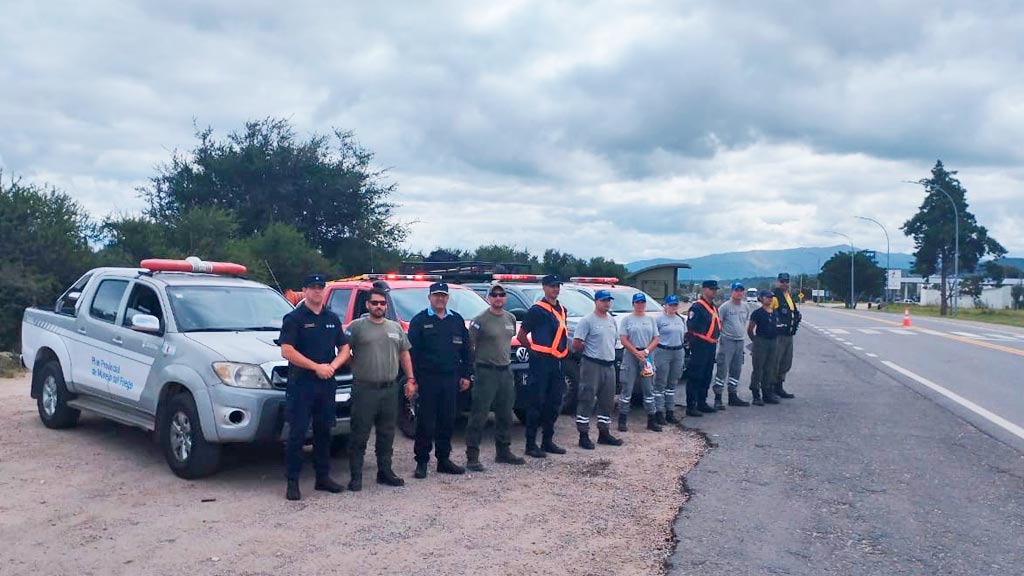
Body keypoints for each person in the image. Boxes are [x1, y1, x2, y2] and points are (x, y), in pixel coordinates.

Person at [279, 274, 350, 501]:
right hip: (302, 383)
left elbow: (345, 348)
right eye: (313, 287)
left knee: (324, 432)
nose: (317, 291)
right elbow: (287, 351)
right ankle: (292, 482)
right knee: (297, 434)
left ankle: (323, 478)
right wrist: (315, 367)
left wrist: (332, 366)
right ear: (305, 290)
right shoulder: (294, 318)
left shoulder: (331, 318)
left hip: (326, 383)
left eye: (321, 287)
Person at [345, 286, 414, 492]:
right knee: (360, 434)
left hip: (389, 389)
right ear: (367, 305)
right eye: (374, 303)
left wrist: (410, 379)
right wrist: (355, 366)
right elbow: (343, 351)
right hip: (364, 389)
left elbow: (404, 354)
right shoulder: (356, 327)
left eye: (382, 303)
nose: (378, 306)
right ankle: (356, 476)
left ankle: (385, 472)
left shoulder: (395, 328)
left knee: (387, 434)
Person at [407, 282, 473, 479]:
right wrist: (414, 379)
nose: (440, 299)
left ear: (447, 298)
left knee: (447, 420)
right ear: (429, 297)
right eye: (436, 295)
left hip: (451, 378)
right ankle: (422, 462)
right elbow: (413, 353)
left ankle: (443, 460)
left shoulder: (456, 320)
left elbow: (467, 350)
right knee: (426, 422)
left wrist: (466, 374)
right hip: (427, 379)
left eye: (443, 296)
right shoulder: (420, 320)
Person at [465, 282, 526, 471]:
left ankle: (503, 451)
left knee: (505, 413)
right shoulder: (480, 320)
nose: (498, 298)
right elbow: (470, 346)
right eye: (495, 295)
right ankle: (472, 456)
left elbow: (509, 339)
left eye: (501, 295)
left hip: (506, 371)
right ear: (489, 298)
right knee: (479, 414)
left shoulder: (511, 318)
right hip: (486, 371)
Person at [516, 274, 569, 458]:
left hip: (557, 361)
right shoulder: (536, 310)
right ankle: (530, 444)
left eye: (557, 286)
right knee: (536, 403)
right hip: (540, 362)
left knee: (554, 402)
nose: (555, 289)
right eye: (552, 286)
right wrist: (533, 351)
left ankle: (547, 441)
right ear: (544, 288)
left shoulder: (562, 309)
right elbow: (522, 335)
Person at [571, 289, 624, 449]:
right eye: (603, 300)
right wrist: (589, 352)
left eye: (608, 300)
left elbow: (613, 340)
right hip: (592, 364)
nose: (606, 303)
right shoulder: (587, 321)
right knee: (587, 399)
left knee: (607, 401)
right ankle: (583, 435)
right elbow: (576, 344)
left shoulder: (611, 320)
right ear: (596, 302)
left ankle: (604, 433)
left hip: (609, 365)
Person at [618, 292, 661, 432]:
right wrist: (635, 352)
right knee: (627, 387)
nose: (640, 305)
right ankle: (622, 419)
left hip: (646, 355)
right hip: (631, 354)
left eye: (642, 302)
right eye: (637, 302)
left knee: (649, 388)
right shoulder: (627, 320)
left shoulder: (650, 320)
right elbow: (624, 339)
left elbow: (656, 338)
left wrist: (646, 352)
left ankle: (651, 419)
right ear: (633, 304)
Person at [684, 280, 722, 417]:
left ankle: (702, 402)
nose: (714, 291)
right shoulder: (697, 307)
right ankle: (691, 405)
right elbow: (691, 326)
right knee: (695, 375)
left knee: (706, 375)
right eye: (712, 289)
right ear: (704, 290)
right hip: (700, 345)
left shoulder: (714, 307)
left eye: (715, 289)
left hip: (711, 345)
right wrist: (695, 344)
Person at [713, 282, 751, 409]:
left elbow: (743, 322)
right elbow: (719, 325)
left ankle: (732, 395)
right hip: (727, 341)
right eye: (736, 290)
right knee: (722, 369)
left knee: (736, 369)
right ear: (731, 292)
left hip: (740, 342)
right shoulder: (725, 307)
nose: (739, 293)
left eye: (741, 290)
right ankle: (718, 398)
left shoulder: (745, 307)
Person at [653, 294, 686, 424]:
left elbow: (683, 335)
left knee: (672, 383)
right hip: (663, 351)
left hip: (677, 351)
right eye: (671, 305)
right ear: (665, 306)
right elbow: (654, 336)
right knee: (660, 382)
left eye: (675, 305)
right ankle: (659, 412)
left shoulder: (680, 320)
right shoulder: (659, 320)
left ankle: (670, 411)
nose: (673, 307)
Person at [771, 273, 802, 399]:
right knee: (775, 362)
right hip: (779, 335)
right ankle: (770, 388)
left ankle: (779, 386)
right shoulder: (774, 296)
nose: (785, 284)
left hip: (789, 335)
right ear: (778, 282)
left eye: (787, 281)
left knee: (786, 362)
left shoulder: (788, 296)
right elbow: (769, 312)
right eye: (782, 281)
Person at [747, 289, 779, 406]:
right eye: (767, 297)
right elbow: (750, 329)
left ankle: (767, 393)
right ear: (761, 298)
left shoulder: (775, 312)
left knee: (769, 368)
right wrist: (755, 341)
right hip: (761, 341)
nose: (770, 299)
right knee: (758, 368)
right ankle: (756, 395)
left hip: (773, 341)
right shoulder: (757, 313)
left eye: (771, 297)